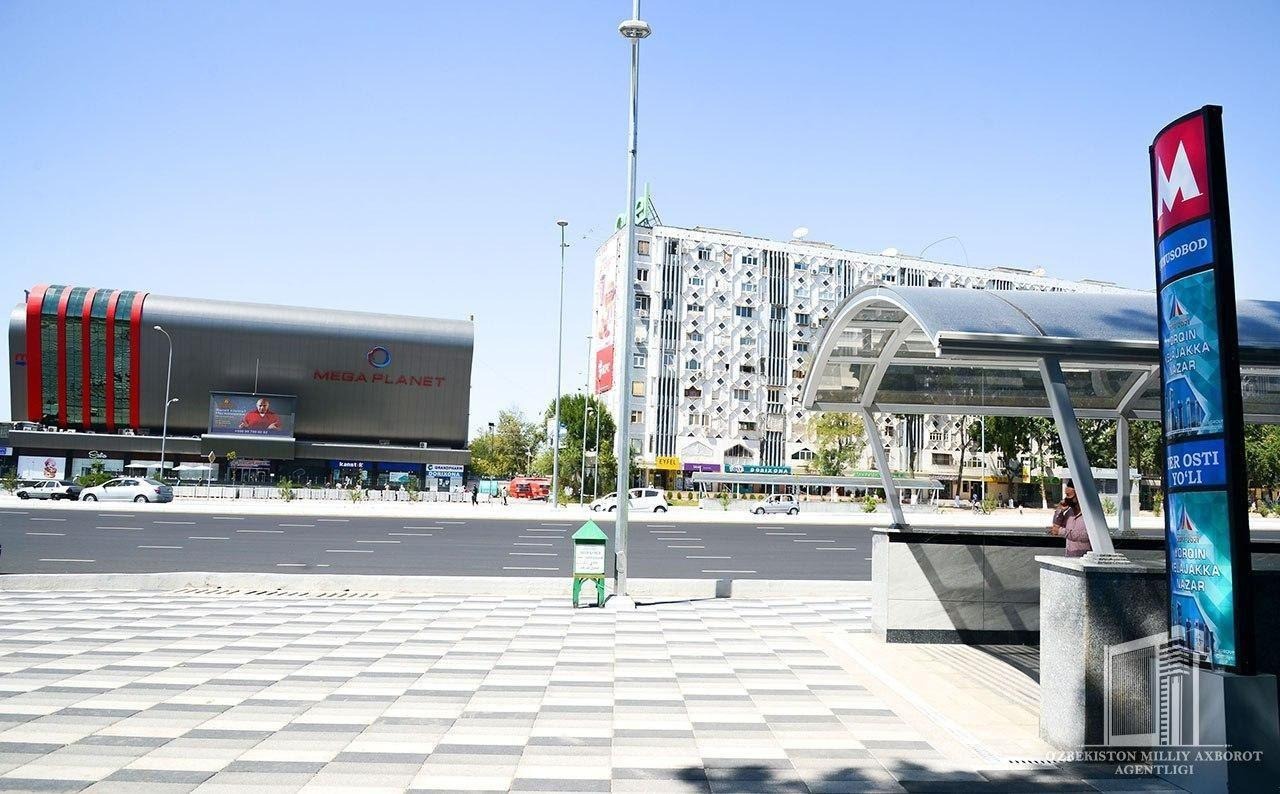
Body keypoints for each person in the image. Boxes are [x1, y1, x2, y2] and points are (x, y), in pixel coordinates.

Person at [1049, 480, 1092, 557]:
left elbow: (1087, 536)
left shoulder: (1090, 514)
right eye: (1066, 495)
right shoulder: (1069, 512)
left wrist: (1062, 532)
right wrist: (1060, 510)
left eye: (1069, 495)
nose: (1066, 499)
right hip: (1069, 556)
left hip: (1085, 558)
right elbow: (1056, 526)